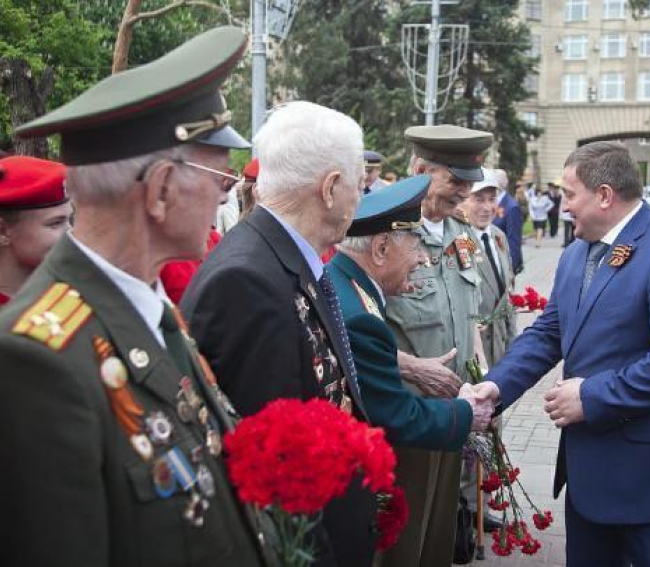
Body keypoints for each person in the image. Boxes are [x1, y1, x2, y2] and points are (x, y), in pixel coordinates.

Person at [0, 27, 277, 567]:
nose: (227, 190)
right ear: (161, 191)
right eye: (218, 176)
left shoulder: (147, 306)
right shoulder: (36, 361)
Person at [473, 141, 650, 566]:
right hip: (593, 482)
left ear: (605, 195)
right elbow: (550, 332)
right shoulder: (577, 252)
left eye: (570, 194)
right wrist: (495, 386)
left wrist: (591, 396)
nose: (564, 205)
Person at [180, 101, 374, 566]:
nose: (360, 200)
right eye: (359, 186)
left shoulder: (276, 257)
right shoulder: (247, 281)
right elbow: (272, 476)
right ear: (329, 188)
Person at [383, 123, 493, 567]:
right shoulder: (386, 233)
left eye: (470, 181)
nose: (464, 191)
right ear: (420, 169)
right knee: (402, 540)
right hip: (407, 414)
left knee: (439, 535)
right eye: (456, 180)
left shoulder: (461, 234)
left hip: (454, 412)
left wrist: (484, 380)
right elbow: (355, 324)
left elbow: (471, 318)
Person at [328, 174, 492, 449]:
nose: (421, 258)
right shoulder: (361, 317)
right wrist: (466, 413)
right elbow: (395, 416)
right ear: (381, 248)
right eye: (415, 246)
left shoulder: (344, 281)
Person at [459, 168, 517, 369]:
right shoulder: (458, 240)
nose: (487, 207)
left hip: (500, 343)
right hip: (474, 349)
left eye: (492, 199)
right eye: (478, 199)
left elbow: (507, 294)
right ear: (462, 200)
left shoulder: (498, 235)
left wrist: (512, 343)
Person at [0, 156, 73, 306]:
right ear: (3, 231)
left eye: (70, 219)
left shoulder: (73, 295)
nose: (71, 233)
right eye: (55, 223)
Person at [492, 168, 524, 274]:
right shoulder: (494, 202)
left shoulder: (511, 207)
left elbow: (514, 240)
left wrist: (511, 268)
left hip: (504, 263)